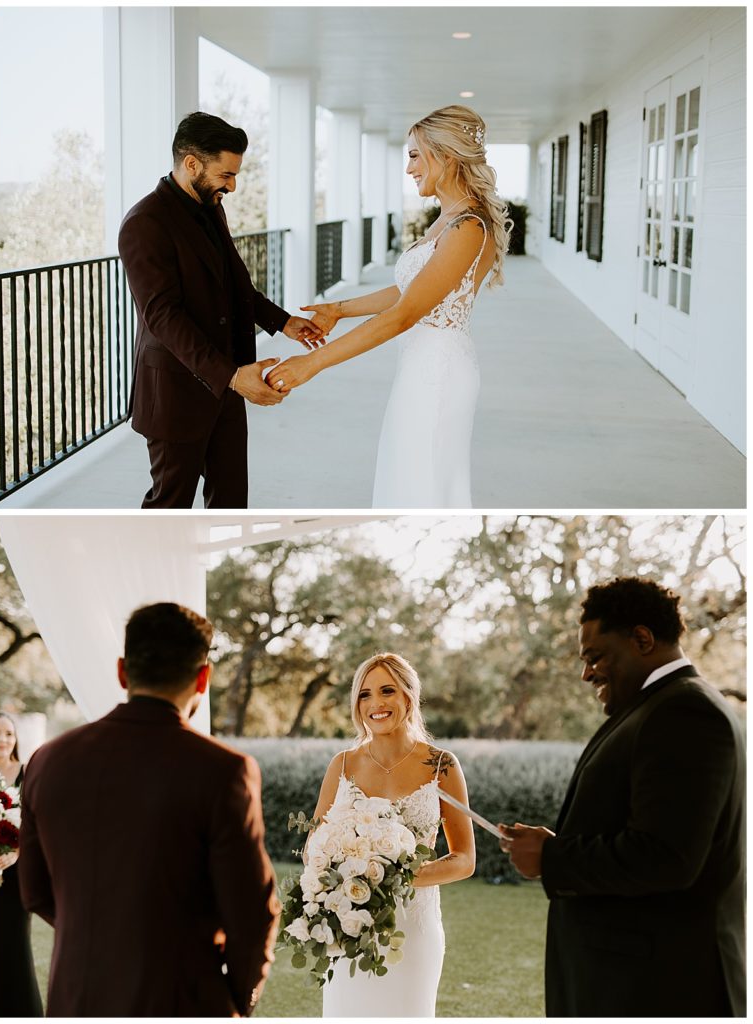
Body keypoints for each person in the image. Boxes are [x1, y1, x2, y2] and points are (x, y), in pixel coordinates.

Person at [498, 577, 746, 1017]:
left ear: (642, 640)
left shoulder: (685, 712)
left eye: (595, 656)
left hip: (657, 988)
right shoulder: (655, 708)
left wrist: (552, 858)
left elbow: (667, 856)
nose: (587, 673)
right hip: (631, 981)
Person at [18, 603, 280, 1017]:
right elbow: (252, 915)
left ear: (123, 672)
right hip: (182, 1002)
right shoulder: (223, 770)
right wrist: (236, 1003)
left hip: (75, 1000)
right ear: (203, 678)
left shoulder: (47, 761)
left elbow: (34, 891)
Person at [265, 105, 512, 508]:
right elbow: (410, 291)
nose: (409, 168)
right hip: (421, 366)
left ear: (446, 156)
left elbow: (404, 314)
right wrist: (338, 309)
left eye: (415, 155)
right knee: (408, 477)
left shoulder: (468, 226)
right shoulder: (447, 219)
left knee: (423, 484)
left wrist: (313, 363)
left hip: (439, 373)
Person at [118, 111, 324, 509]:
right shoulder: (144, 223)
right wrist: (231, 376)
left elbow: (235, 285)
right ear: (192, 164)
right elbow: (163, 317)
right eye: (226, 175)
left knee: (231, 503)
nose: (232, 185)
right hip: (176, 393)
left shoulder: (212, 206)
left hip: (227, 389)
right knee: (169, 508)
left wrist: (284, 323)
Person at [310, 652, 475, 1017]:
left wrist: (394, 877)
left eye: (387, 690)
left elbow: (464, 860)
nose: (376, 703)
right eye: (364, 694)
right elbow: (313, 846)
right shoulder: (343, 764)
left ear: (408, 695)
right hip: (349, 922)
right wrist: (344, 870)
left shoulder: (441, 765)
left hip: (413, 931)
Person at [0, 712, 44, 1017]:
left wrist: (17, 852)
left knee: (14, 945)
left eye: (8, 734)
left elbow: (38, 822)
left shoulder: (27, 772)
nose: (2, 739)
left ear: (16, 739)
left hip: (14, 874)